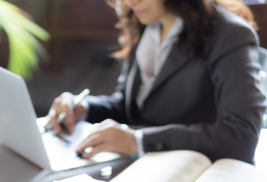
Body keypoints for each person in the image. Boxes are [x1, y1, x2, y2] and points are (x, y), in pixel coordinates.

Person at [46, 0, 266, 164]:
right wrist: (84, 107)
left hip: (197, 170)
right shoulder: (146, 23)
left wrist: (139, 140)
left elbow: (241, 136)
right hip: (143, 165)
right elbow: (130, 108)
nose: (130, 2)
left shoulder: (231, 34)